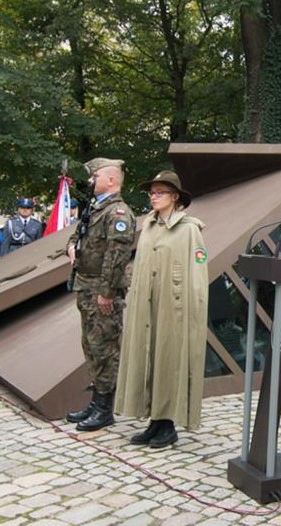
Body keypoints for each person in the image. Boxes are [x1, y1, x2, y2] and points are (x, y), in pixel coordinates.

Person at [116, 170, 209, 449]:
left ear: (175, 197)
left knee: (169, 360)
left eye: (160, 192)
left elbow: (198, 271)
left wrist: (191, 309)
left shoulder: (189, 229)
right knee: (148, 356)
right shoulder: (148, 226)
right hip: (146, 305)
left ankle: (168, 424)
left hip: (174, 308)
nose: (154, 197)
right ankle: (154, 420)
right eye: (152, 193)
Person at [64, 158, 136, 431]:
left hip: (102, 291)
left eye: (95, 177)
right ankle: (96, 402)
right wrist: (72, 248)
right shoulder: (95, 209)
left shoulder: (117, 213)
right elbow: (76, 237)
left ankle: (105, 409)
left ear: (110, 180)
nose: (91, 182)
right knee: (91, 346)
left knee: (105, 349)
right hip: (86, 286)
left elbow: (116, 257)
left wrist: (106, 293)